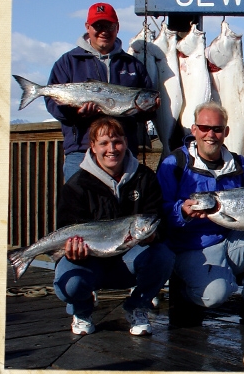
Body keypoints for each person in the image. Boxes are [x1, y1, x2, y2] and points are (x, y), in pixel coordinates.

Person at [156, 101, 244, 326]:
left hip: (231, 240)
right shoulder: (174, 163)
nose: (210, 135)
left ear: (226, 132)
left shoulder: (240, 165)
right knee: (214, 296)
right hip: (192, 247)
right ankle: (185, 292)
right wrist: (181, 212)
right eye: (204, 128)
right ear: (194, 130)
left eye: (216, 129)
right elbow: (158, 211)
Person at [53, 117, 175, 336]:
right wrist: (72, 253)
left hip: (128, 260)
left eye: (117, 141)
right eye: (104, 143)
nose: (112, 149)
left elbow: (159, 221)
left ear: (126, 143)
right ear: (92, 146)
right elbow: (66, 227)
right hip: (89, 261)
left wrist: (153, 236)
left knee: (164, 256)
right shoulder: (76, 185)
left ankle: (138, 306)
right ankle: (81, 310)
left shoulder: (145, 178)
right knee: (68, 281)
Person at [45, 2, 158, 181]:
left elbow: (145, 106)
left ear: (117, 27)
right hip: (81, 151)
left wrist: (149, 109)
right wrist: (76, 113)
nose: (103, 31)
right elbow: (53, 105)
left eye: (109, 26)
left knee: (122, 207)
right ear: (87, 27)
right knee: (79, 207)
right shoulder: (67, 62)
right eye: (98, 26)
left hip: (122, 152)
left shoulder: (133, 65)